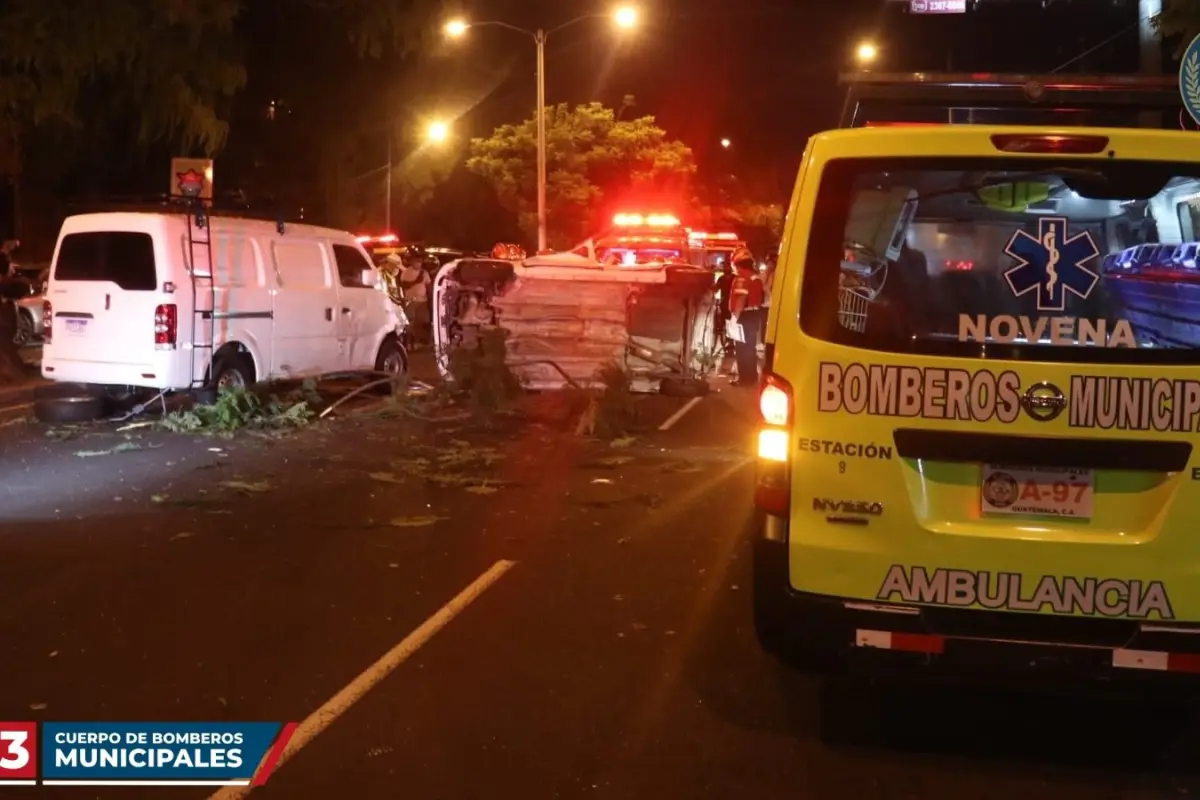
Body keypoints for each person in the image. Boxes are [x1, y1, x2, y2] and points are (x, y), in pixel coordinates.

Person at [728, 247, 765, 386]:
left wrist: (734, 319)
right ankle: (751, 376)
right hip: (754, 315)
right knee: (750, 347)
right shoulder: (755, 277)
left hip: (744, 316)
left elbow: (741, 299)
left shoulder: (742, 277)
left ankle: (745, 379)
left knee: (742, 348)